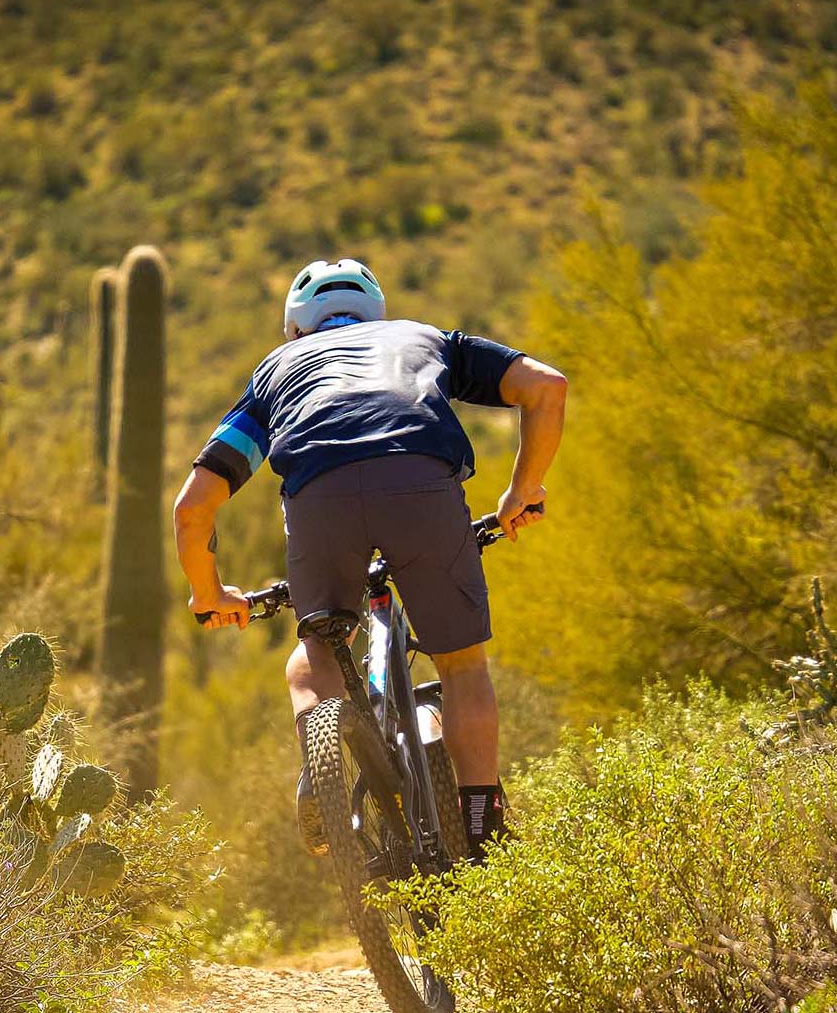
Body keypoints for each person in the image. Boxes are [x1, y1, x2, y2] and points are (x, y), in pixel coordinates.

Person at [171, 258, 567, 863]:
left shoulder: (277, 372)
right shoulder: (426, 339)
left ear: (296, 328)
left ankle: (321, 768)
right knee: (462, 667)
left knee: (318, 654)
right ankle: (483, 829)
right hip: (422, 488)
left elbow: (192, 507)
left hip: (320, 500)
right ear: (376, 314)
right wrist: (522, 490)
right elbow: (546, 386)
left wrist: (209, 594)